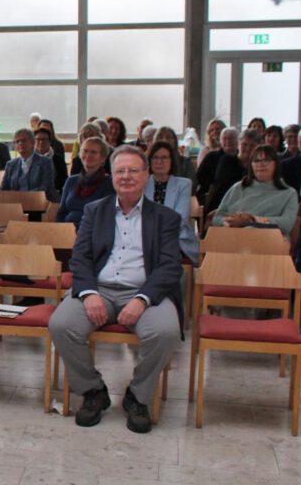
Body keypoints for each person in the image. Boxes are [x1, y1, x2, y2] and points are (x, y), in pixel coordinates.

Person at [49, 145, 182, 435]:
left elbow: (171, 266)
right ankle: (93, 390)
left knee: (166, 332)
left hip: (146, 291)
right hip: (100, 289)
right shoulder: (94, 211)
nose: (126, 177)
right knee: (61, 324)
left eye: (134, 170)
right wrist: (88, 293)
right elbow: (80, 257)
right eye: (120, 171)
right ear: (112, 177)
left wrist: (142, 299)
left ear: (146, 175)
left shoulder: (165, 218)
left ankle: (138, 396)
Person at [214, 145, 298, 238]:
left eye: (266, 160)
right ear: (251, 165)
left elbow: (287, 224)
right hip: (232, 237)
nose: (261, 164)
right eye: (256, 161)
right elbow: (217, 217)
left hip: (270, 241)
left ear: (276, 164)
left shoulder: (289, 193)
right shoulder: (238, 187)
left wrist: (253, 220)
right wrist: (228, 223)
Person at [145, 141, 198, 262]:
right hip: (145, 236)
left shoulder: (184, 184)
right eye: (155, 158)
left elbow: (180, 218)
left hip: (176, 237)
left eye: (164, 158)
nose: (160, 162)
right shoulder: (142, 184)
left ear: (171, 161)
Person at [58, 137, 115, 228]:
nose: (88, 155)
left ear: (103, 158)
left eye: (93, 152)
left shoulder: (109, 183)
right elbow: (61, 213)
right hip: (66, 232)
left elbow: (106, 217)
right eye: (85, 151)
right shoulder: (71, 181)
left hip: (93, 232)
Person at [204, 129, 261, 214]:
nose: (248, 148)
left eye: (252, 145)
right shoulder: (227, 160)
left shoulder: (260, 165)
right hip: (223, 204)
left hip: (251, 206)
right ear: (238, 144)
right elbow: (228, 183)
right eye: (244, 144)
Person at [1, 128, 56, 201]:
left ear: (33, 142)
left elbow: (46, 187)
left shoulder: (46, 162)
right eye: (17, 141)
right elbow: (4, 189)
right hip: (14, 206)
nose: (20, 143)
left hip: (38, 204)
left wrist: (23, 196)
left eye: (24, 140)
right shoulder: (10, 165)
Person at [195, 126, 238, 206]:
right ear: (221, 142)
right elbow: (200, 178)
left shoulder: (241, 158)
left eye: (231, 138)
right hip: (215, 197)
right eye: (225, 139)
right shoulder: (211, 157)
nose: (228, 141)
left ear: (237, 141)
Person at [35, 127, 68, 194]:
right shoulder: (29, 158)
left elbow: (63, 181)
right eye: (38, 139)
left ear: (50, 141)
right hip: (32, 195)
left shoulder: (58, 159)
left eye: (44, 139)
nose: (41, 142)